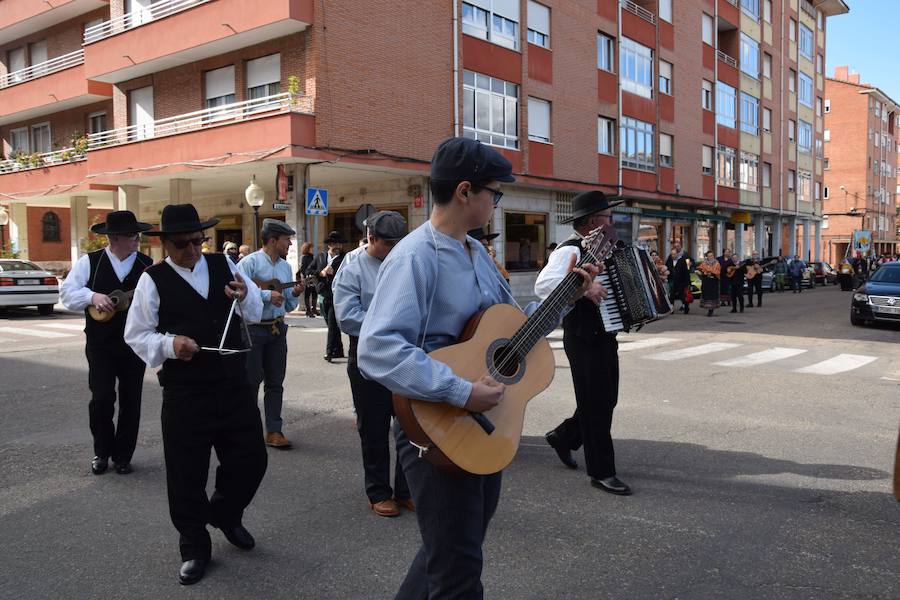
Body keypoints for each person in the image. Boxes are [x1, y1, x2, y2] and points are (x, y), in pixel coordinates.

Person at [357, 138, 597, 598]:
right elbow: (377, 348)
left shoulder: (475, 254)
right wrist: (460, 391)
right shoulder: (414, 258)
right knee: (459, 572)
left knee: (447, 554)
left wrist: (567, 297)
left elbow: (512, 332)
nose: (496, 201)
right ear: (465, 191)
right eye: (495, 192)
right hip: (437, 427)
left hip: (481, 430)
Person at [124, 204, 266, 585]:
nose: (191, 250)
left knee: (251, 460)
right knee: (187, 474)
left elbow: (254, 311)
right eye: (182, 244)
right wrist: (172, 345)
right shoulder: (151, 279)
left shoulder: (224, 265)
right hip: (186, 393)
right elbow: (136, 335)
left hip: (233, 385)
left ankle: (224, 513)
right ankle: (193, 544)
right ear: (165, 244)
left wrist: (244, 295)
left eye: (197, 241)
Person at [536, 190, 633, 495]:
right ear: (593, 221)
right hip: (582, 336)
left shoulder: (606, 248)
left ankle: (563, 437)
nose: (612, 221)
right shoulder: (570, 250)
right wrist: (584, 288)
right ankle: (601, 472)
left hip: (604, 334)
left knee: (606, 400)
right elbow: (543, 285)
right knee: (596, 404)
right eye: (607, 216)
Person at [60, 210, 154, 476]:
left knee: (131, 399)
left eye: (138, 234)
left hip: (134, 343)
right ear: (113, 238)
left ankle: (123, 455)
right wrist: (92, 297)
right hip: (100, 343)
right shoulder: (91, 262)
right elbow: (67, 293)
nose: (137, 238)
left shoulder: (147, 265)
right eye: (131, 235)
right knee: (101, 398)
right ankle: (101, 451)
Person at [333, 211, 412, 518]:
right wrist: (386, 326)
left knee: (408, 424)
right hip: (368, 353)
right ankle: (379, 491)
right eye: (388, 244)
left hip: (405, 351)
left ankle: (407, 489)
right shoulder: (352, 267)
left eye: (398, 243)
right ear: (371, 238)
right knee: (374, 427)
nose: (394, 249)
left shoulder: (407, 262)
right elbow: (347, 316)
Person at [237, 219, 305, 449]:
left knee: (276, 382)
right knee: (251, 381)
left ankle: (274, 431)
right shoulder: (249, 264)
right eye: (287, 240)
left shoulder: (286, 268)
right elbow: (239, 296)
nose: (290, 244)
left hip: (277, 328)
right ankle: (247, 429)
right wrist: (267, 296)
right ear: (273, 240)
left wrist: (294, 294)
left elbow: (286, 306)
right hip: (253, 329)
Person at [311, 230, 348, 361]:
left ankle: (330, 351)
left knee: (332, 323)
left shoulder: (345, 258)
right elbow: (309, 270)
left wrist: (334, 272)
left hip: (337, 295)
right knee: (330, 323)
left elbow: (349, 273)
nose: (338, 246)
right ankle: (338, 349)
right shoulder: (321, 256)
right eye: (335, 244)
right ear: (329, 245)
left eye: (340, 244)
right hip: (323, 294)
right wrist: (321, 273)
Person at [666, 243, 691, 313]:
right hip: (672, 281)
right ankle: (671, 309)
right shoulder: (669, 259)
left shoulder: (684, 259)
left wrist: (688, 282)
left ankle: (686, 307)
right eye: (672, 254)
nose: (673, 255)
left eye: (674, 254)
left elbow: (687, 271)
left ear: (677, 254)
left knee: (682, 295)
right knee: (672, 296)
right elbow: (666, 267)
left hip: (681, 281)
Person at [297, 241, 318, 318]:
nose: (312, 249)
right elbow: (302, 268)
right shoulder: (304, 257)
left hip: (312, 277)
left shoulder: (311, 256)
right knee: (308, 293)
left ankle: (314, 309)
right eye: (310, 248)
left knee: (314, 292)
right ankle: (308, 310)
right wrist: (306, 276)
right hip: (307, 278)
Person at [697, 251, 721, 317]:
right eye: (709, 256)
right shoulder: (704, 263)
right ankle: (708, 308)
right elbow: (699, 269)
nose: (710, 257)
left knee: (712, 295)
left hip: (713, 282)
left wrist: (710, 271)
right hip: (706, 281)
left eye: (712, 255)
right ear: (707, 256)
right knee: (706, 295)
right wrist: (702, 272)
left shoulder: (717, 263)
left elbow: (718, 272)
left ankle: (711, 310)